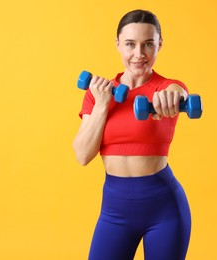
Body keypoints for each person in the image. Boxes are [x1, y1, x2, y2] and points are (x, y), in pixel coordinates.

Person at [73, 9, 191, 260]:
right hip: (114, 213)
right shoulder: (98, 92)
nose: (139, 54)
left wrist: (173, 98)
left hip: (164, 211)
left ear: (159, 44)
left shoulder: (165, 89)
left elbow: (179, 92)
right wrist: (103, 105)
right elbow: (82, 155)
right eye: (130, 44)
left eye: (148, 44)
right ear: (118, 44)